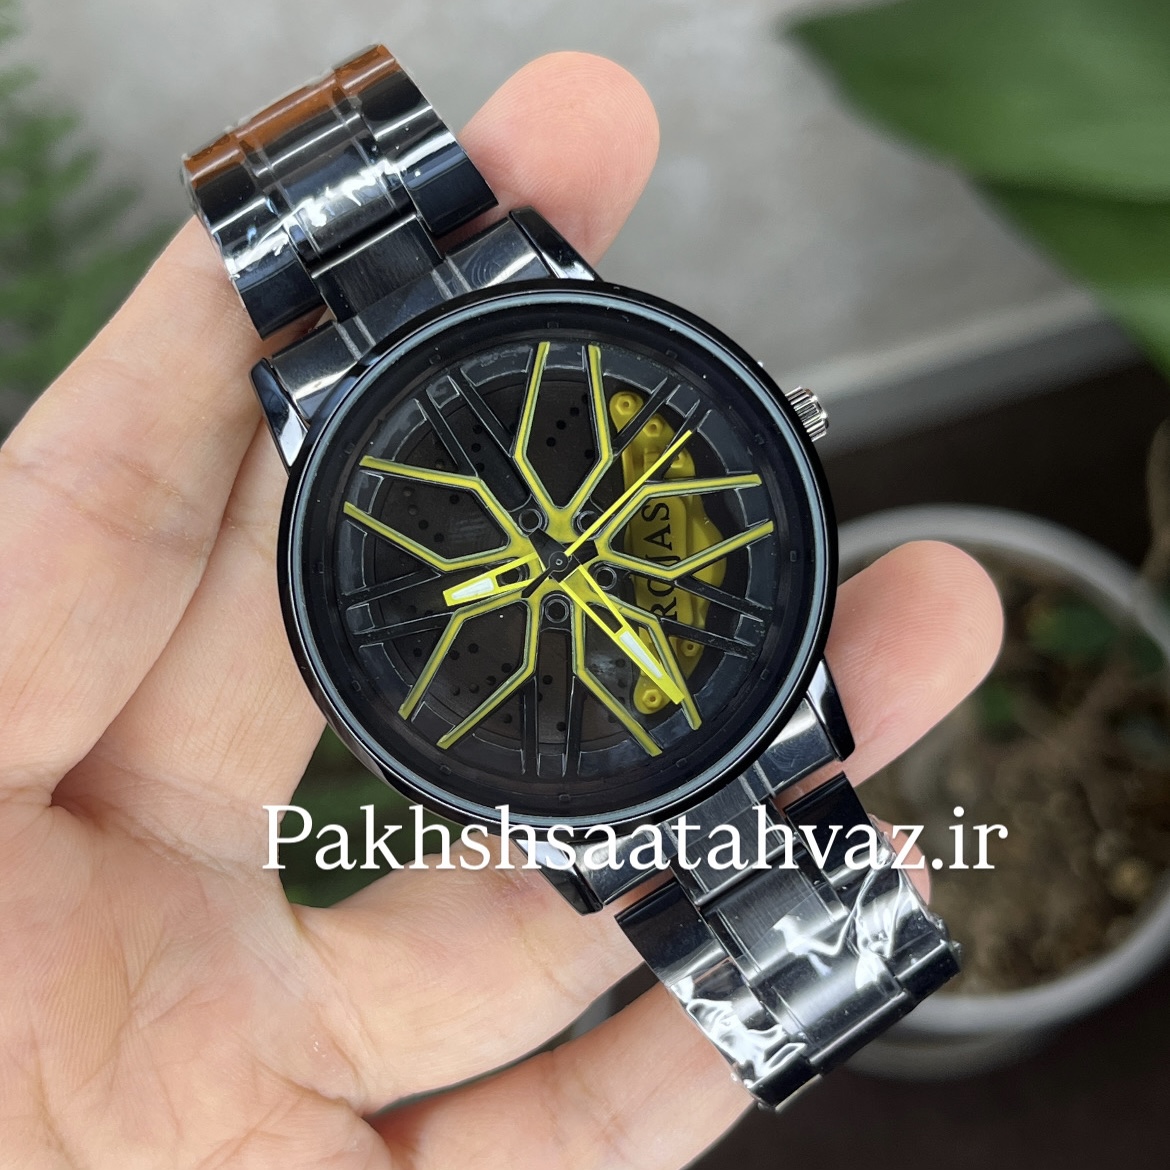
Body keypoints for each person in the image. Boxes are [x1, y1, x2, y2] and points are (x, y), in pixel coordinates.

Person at [0, 52, 1002, 1169]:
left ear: (777, 424)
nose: (557, 563)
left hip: (638, 700)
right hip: (623, 703)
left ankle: (849, 973)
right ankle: (842, 978)